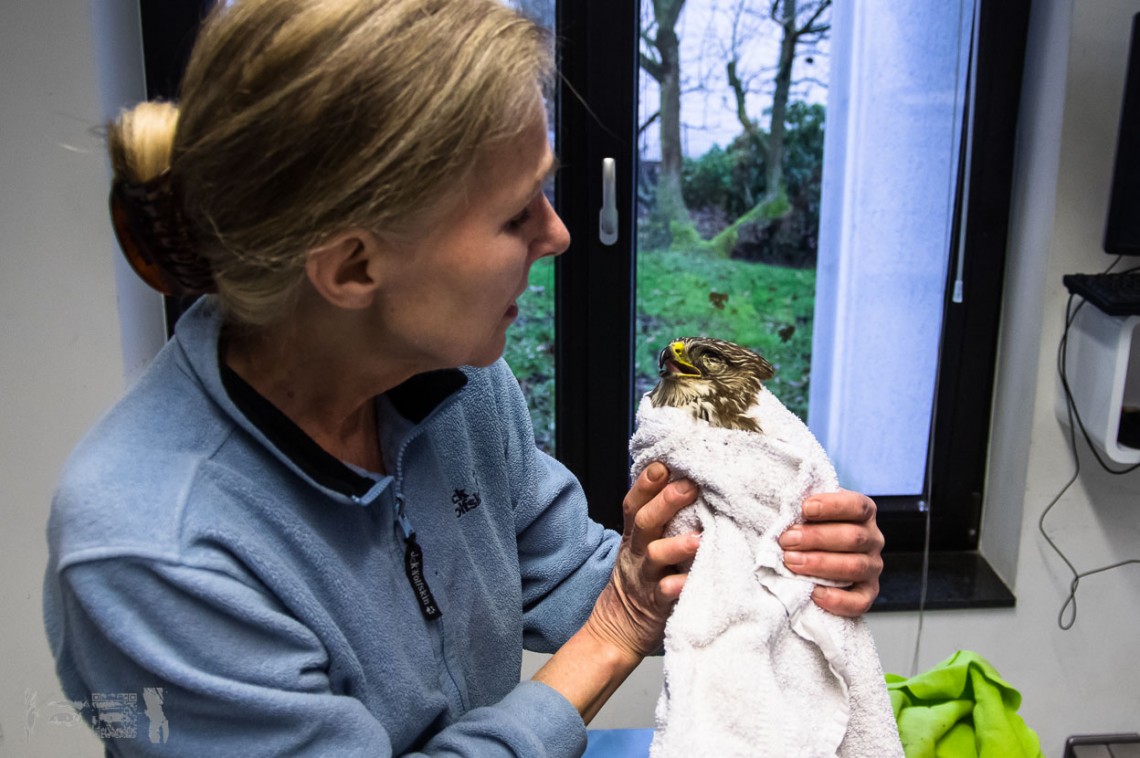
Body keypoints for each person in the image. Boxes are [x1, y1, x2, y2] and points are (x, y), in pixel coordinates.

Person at [43, 0, 885, 755]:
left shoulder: (452, 386)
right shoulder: (154, 554)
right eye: (516, 212)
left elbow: (566, 571)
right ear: (352, 265)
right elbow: (605, 615)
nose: (556, 236)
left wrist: (769, 566)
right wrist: (610, 636)